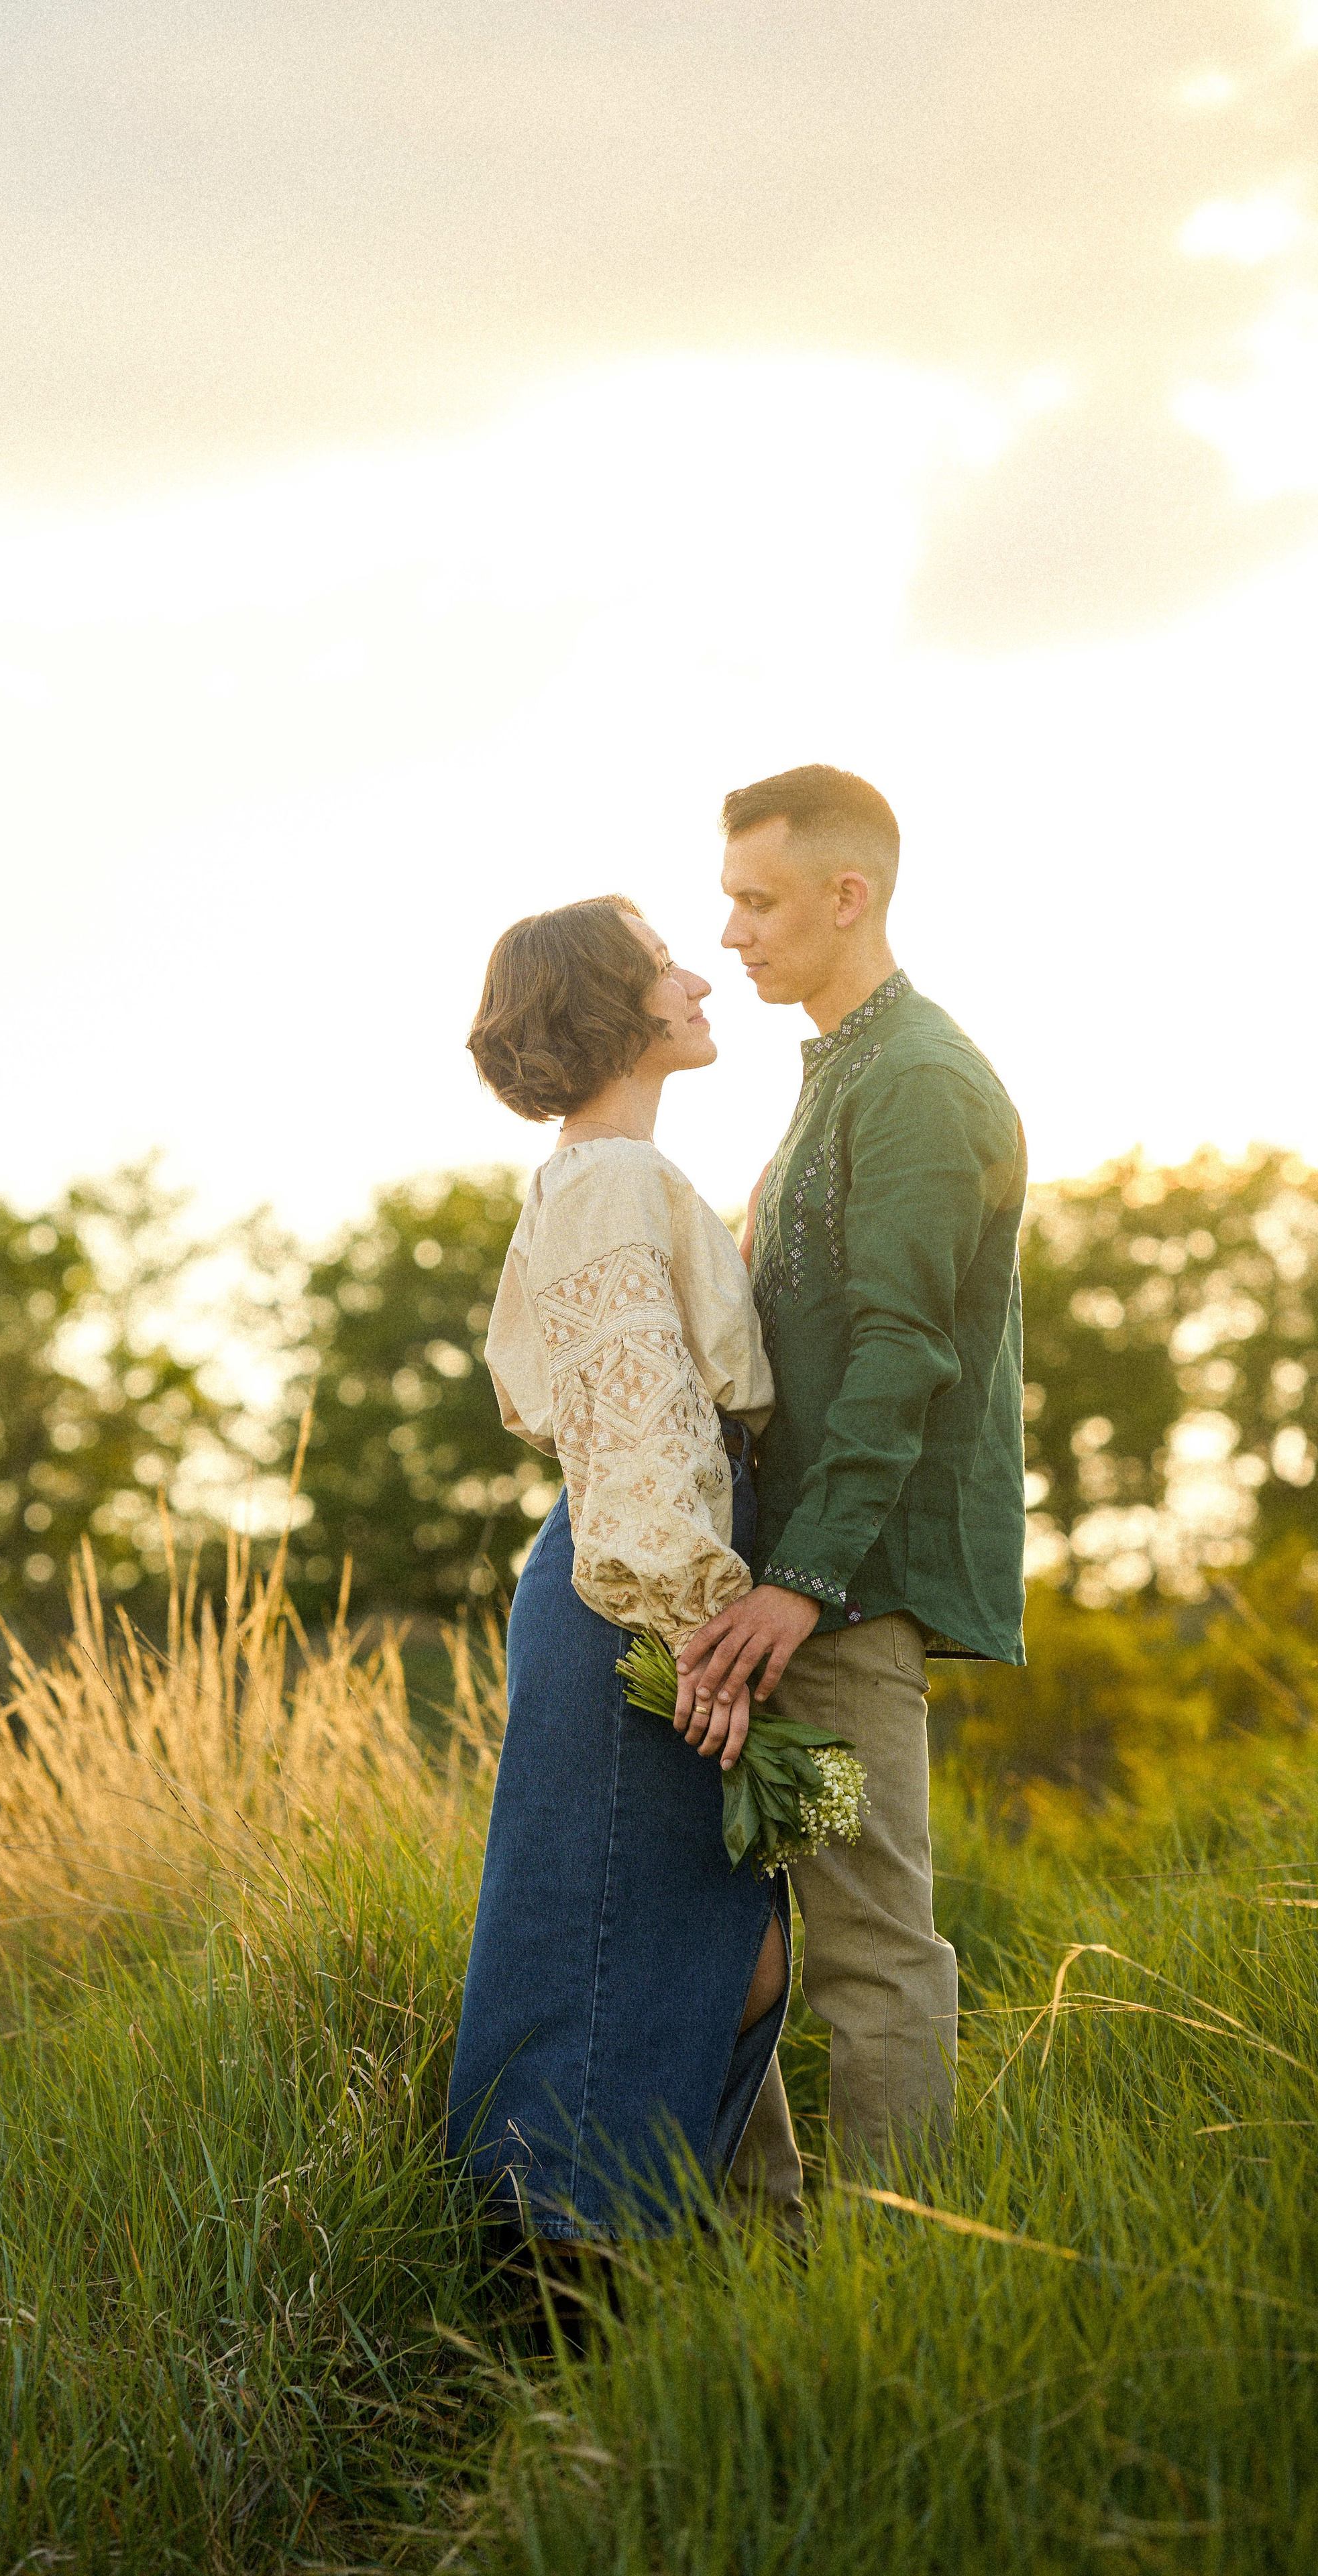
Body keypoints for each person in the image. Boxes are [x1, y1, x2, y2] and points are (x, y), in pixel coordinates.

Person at [676, 764, 1027, 2227]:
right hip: (779, 1582)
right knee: (723, 1934)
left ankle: (899, 2274)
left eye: (755, 902)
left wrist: (796, 1578)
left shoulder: (921, 1083)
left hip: (844, 1585)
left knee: (874, 1945)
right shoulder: (838, 1075)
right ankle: (761, 2260)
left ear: (846, 894)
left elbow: (903, 1355)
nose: (732, 934)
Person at [445, 894, 785, 2241]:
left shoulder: (617, 1178)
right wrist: (708, 1633)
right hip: (637, 1594)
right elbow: (639, 1436)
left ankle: (638, 2250)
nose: (698, 980)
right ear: (606, 1004)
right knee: (621, 1942)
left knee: (722, 1947)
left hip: (636, 1585)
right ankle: (559, 2268)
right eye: (661, 969)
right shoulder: (608, 1183)